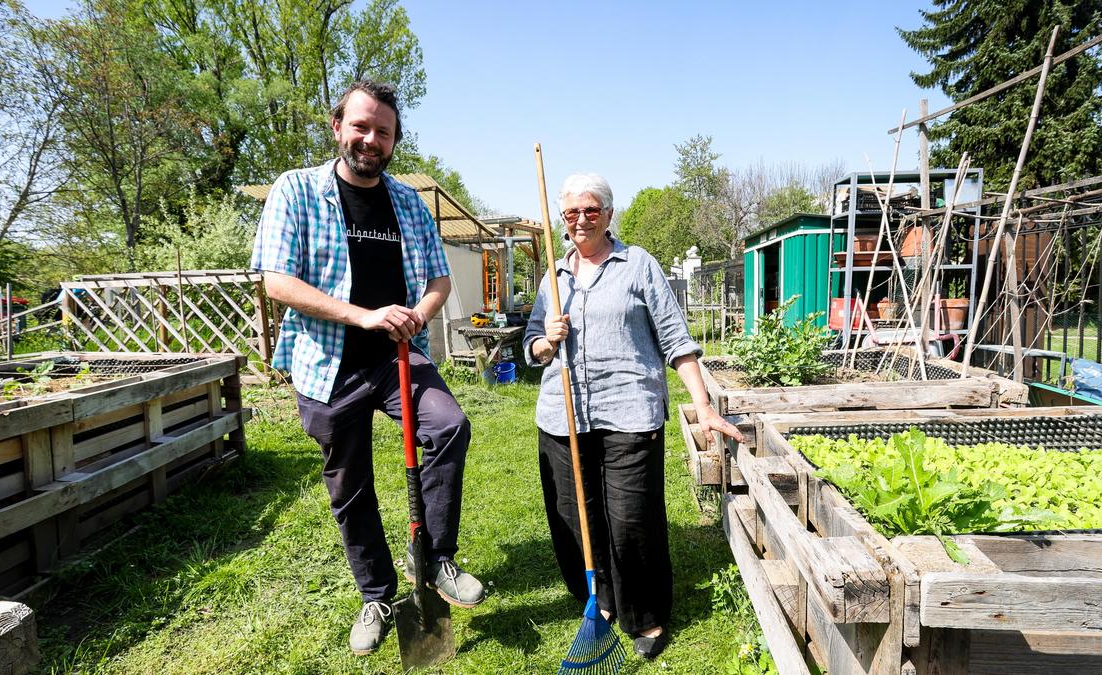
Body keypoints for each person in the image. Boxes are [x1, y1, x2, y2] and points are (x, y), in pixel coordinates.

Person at [250, 80, 485, 656]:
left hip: (396, 359)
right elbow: (275, 280)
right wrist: (362, 316)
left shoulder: (407, 202)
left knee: (448, 426)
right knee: (350, 486)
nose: (370, 139)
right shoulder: (298, 191)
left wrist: (416, 316)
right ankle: (377, 593)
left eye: (383, 131)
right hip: (326, 364)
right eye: (360, 126)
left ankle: (433, 559)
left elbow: (437, 281)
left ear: (395, 140)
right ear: (338, 127)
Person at [524, 173, 743, 660]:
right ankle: (597, 602)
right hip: (563, 416)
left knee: (631, 520)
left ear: (608, 214)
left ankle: (645, 615)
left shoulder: (637, 264)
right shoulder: (553, 279)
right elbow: (531, 347)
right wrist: (545, 339)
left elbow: (676, 340)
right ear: (561, 220)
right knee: (573, 516)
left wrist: (703, 406)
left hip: (629, 410)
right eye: (572, 212)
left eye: (591, 210)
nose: (581, 219)